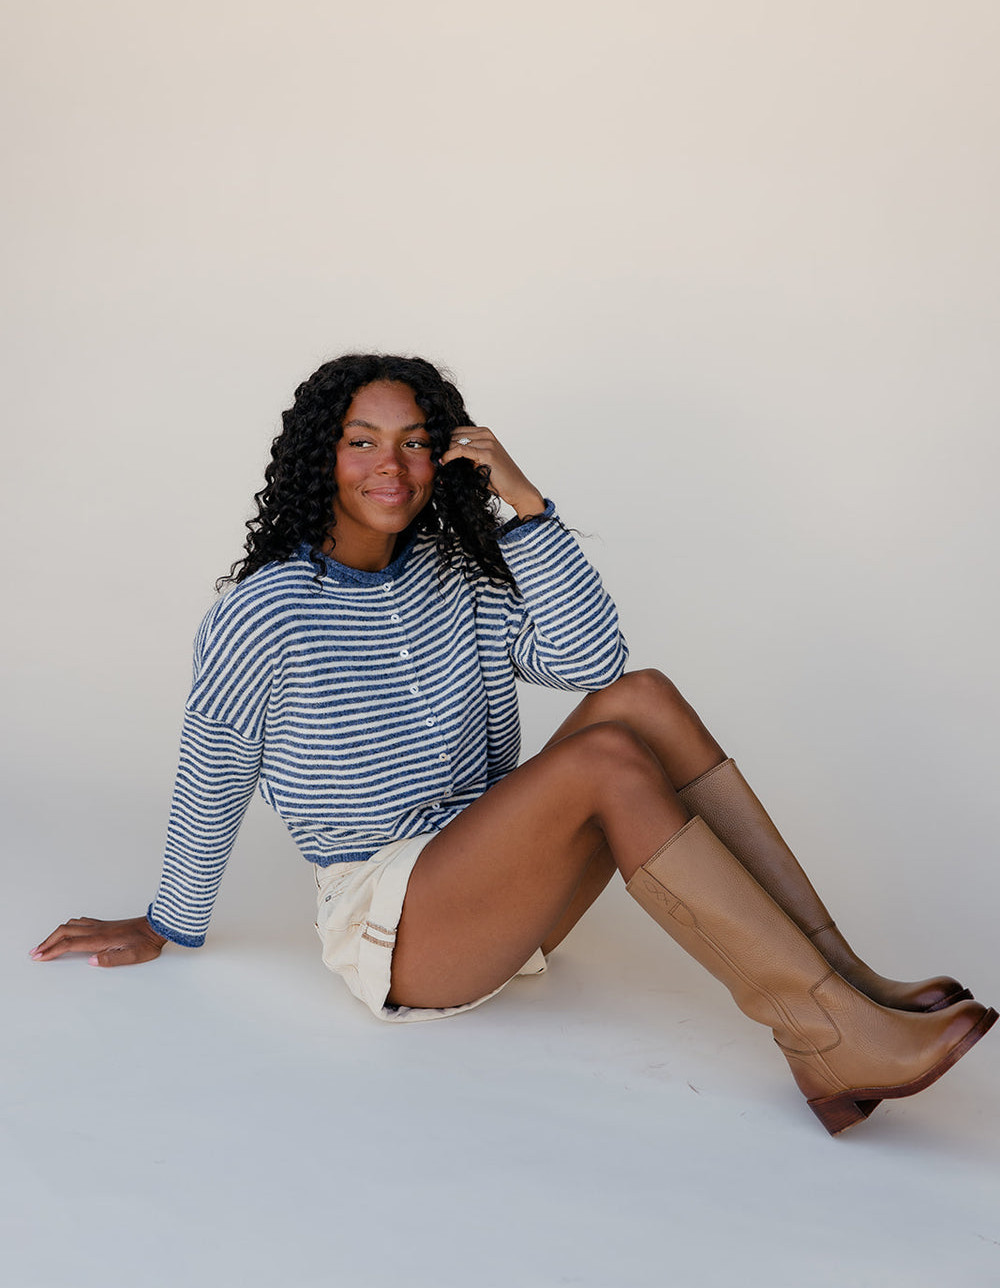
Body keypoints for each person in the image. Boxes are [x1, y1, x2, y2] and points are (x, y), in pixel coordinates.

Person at [32, 353, 995, 1134]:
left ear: (447, 456)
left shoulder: (460, 572)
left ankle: (847, 982)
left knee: (642, 700)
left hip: (495, 877)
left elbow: (596, 658)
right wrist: (171, 919)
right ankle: (818, 1029)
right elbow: (214, 771)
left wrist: (528, 510)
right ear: (319, 458)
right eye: (361, 442)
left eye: (415, 443)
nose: (392, 468)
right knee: (602, 762)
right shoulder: (265, 614)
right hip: (397, 931)